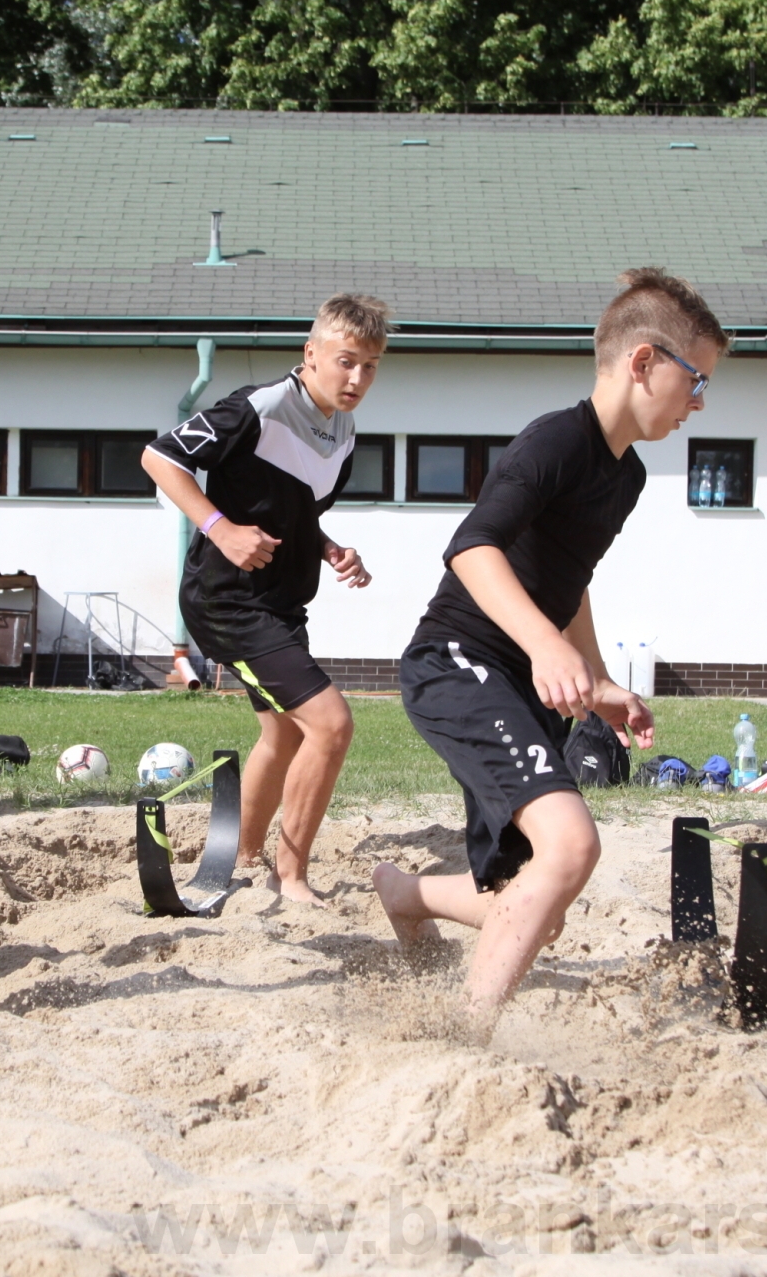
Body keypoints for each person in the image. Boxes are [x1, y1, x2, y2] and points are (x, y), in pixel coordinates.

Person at [372, 268, 726, 1039]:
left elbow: (571, 580)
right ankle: (464, 1037)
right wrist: (542, 646)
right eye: (696, 380)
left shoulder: (625, 476)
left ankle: (403, 894)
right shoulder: (557, 440)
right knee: (571, 846)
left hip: (519, 683)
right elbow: (472, 549)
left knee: (538, 903)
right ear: (643, 362)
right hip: (457, 663)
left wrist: (593, 680)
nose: (700, 401)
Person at [141, 294, 384, 906]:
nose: (357, 378)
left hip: (281, 604)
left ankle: (238, 858)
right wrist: (219, 528)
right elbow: (159, 457)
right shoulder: (261, 405)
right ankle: (289, 875)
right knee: (330, 724)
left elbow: (296, 513)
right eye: (346, 361)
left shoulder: (344, 430)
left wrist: (329, 548)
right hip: (228, 601)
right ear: (311, 353)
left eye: (371, 366)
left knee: (285, 737)